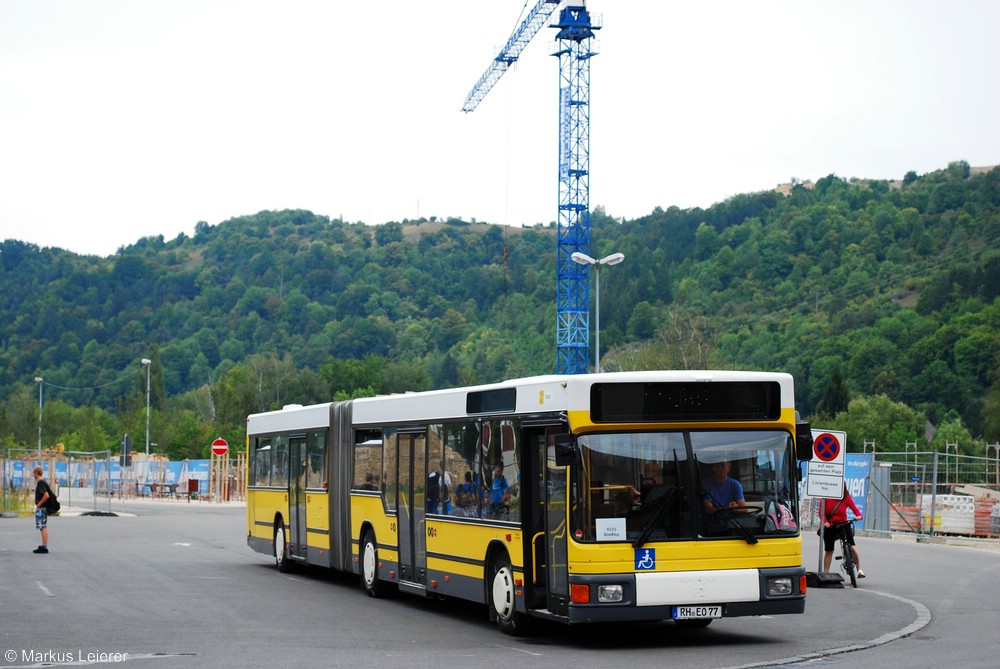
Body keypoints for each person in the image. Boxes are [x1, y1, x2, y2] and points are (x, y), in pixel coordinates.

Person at [821, 489, 864, 578]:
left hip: (844, 524)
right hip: (831, 526)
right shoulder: (826, 498)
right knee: (829, 551)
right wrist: (825, 522)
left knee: (852, 547)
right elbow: (821, 512)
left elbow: (855, 510)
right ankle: (826, 572)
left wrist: (859, 515)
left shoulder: (846, 497)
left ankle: (859, 570)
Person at [32, 466, 53, 554]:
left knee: (42, 527)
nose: (33, 475)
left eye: (34, 473)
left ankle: (44, 547)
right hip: (44, 507)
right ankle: (44, 545)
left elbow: (46, 495)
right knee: (42, 526)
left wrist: (39, 505)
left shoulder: (40, 483)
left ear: (37, 473)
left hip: (42, 508)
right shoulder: (43, 482)